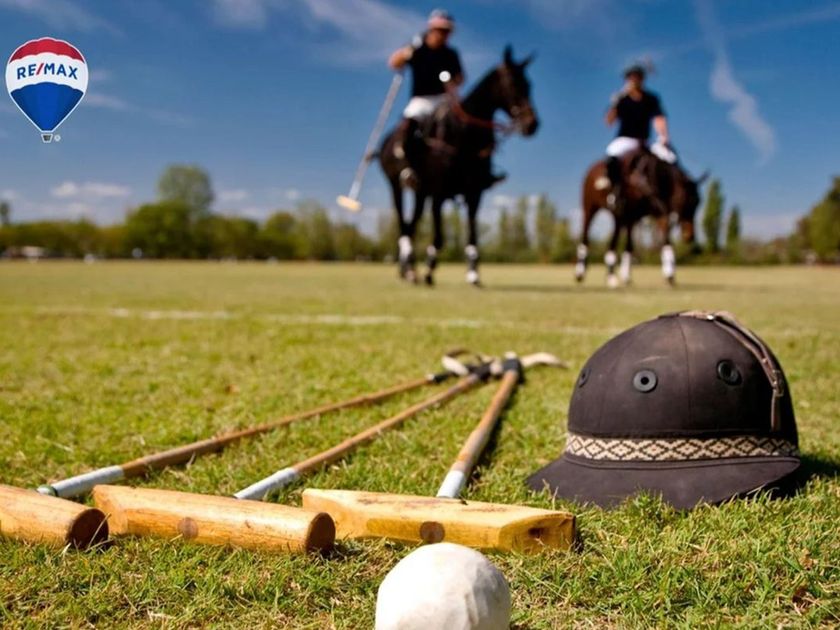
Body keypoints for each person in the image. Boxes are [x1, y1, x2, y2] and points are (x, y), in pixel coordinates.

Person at [388, 9, 463, 186]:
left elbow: (461, 78)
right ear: (431, 28)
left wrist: (453, 81)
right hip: (421, 101)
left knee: (464, 126)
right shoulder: (418, 48)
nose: (443, 34)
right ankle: (406, 168)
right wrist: (405, 53)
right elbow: (394, 63)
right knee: (408, 126)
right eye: (440, 30)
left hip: (444, 99)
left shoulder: (451, 54)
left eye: (447, 31)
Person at [598, 64, 677, 206]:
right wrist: (615, 102)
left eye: (638, 76)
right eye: (631, 77)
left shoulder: (651, 99)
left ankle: (671, 197)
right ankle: (613, 192)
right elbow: (609, 121)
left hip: (645, 141)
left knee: (669, 157)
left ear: (642, 79)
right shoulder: (622, 99)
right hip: (625, 140)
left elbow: (659, 118)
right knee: (611, 155)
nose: (634, 79)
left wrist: (664, 136)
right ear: (627, 80)